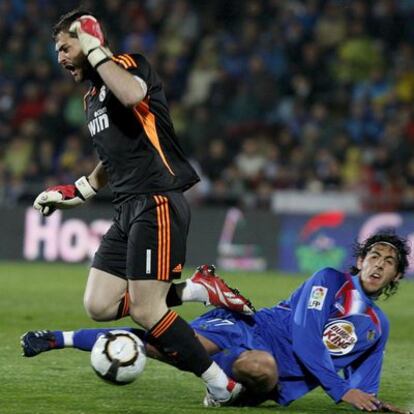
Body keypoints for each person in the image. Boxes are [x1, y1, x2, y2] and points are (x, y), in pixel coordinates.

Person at [31, 9, 254, 406]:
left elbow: (133, 95)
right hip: (126, 206)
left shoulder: (127, 65)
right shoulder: (90, 99)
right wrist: (76, 191)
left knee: (147, 310)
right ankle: (195, 289)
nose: (61, 58)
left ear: (87, 39)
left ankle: (224, 386)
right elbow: (112, 160)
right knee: (99, 305)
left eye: (66, 47)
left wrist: (95, 47)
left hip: (158, 200)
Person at [22, 232, 413, 413]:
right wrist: (340, 391)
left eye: (389, 261)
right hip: (254, 326)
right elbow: (308, 337)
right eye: (374, 256)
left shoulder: (376, 328)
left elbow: (365, 385)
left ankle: (223, 391)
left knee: (259, 367)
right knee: (170, 345)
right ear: (360, 261)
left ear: (396, 277)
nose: (379, 263)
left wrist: (376, 405)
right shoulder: (329, 280)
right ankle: (59, 338)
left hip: (274, 375)